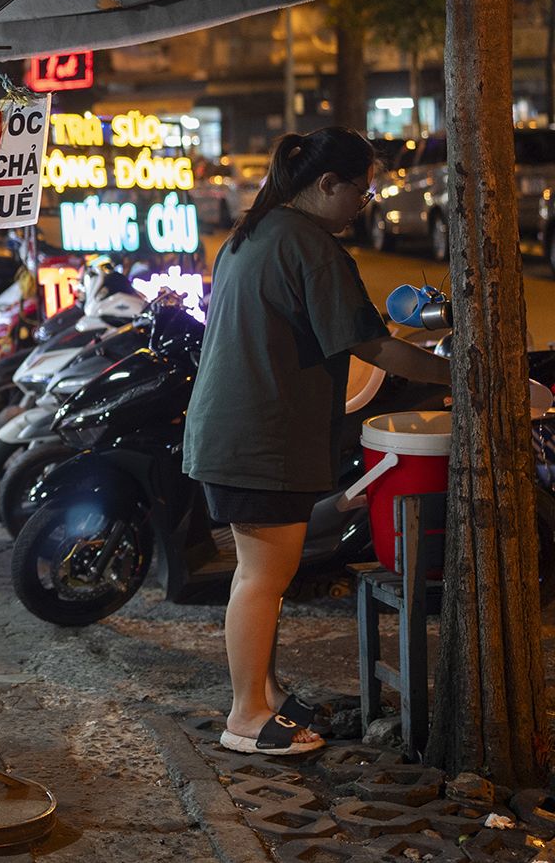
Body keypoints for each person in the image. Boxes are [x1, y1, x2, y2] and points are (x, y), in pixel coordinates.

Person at [181, 128, 456, 757]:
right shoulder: (312, 246)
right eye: (361, 188)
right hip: (259, 437)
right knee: (261, 578)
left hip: (234, 428)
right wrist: (459, 372)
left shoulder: (255, 231)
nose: (365, 200)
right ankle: (246, 716)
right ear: (326, 183)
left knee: (263, 575)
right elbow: (375, 348)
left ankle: (267, 691)